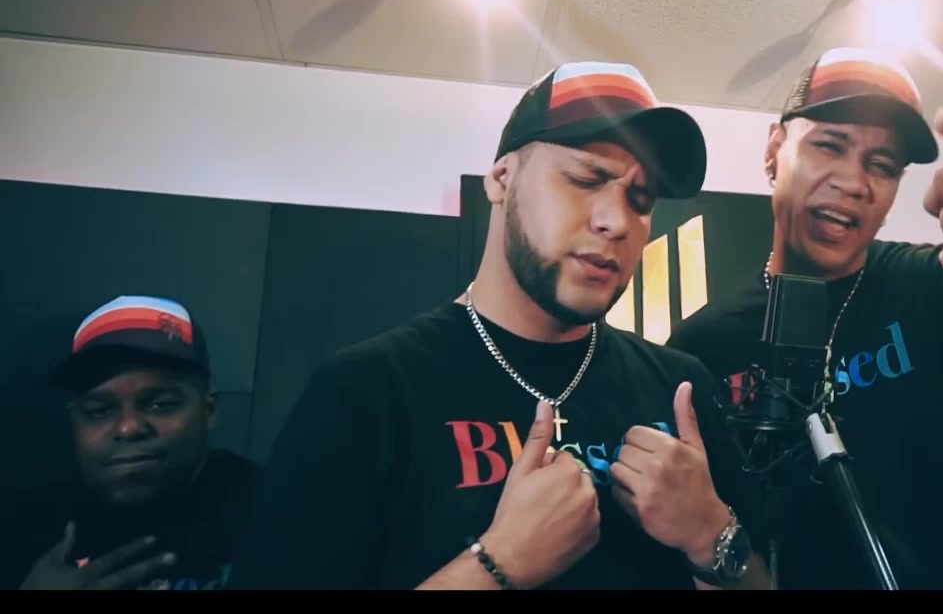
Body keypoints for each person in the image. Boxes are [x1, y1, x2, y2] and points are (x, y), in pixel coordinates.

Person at [227, 61, 771, 590]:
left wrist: (712, 535)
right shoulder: (365, 391)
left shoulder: (680, 387)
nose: (616, 221)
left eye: (640, 200)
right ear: (502, 179)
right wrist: (496, 566)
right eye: (585, 179)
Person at [665, 47, 943, 590]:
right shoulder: (703, 344)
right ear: (774, 151)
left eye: (882, 165)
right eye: (830, 146)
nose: (855, 182)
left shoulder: (936, 282)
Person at [0, 295, 258, 591]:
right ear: (74, 421)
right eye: (100, 411)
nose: (128, 427)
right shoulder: (20, 528)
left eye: (160, 405)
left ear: (208, 410)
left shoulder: (273, 512)